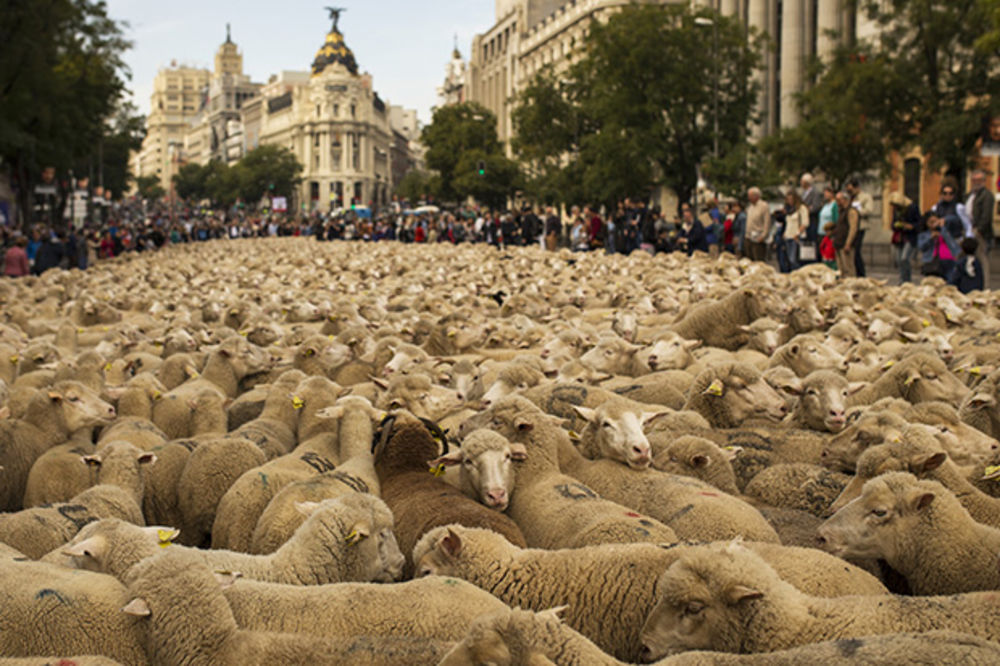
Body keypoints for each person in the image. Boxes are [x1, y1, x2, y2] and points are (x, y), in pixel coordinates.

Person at [967, 170, 994, 287]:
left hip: (980, 233)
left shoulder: (986, 195)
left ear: (984, 181)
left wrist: (979, 230)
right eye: (974, 180)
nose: (976, 182)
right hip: (968, 231)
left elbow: (986, 215)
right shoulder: (970, 195)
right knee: (968, 260)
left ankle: (985, 287)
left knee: (982, 260)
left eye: (979, 180)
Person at [888, 192, 920, 284]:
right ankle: (902, 279)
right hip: (900, 237)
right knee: (899, 259)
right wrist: (896, 225)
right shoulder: (896, 211)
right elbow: (893, 224)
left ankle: (907, 280)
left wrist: (911, 226)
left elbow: (919, 223)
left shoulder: (913, 208)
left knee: (904, 258)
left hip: (910, 237)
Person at [918, 211, 959, 279]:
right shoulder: (924, 234)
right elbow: (921, 247)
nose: (934, 224)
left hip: (949, 261)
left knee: (949, 284)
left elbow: (955, 219)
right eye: (931, 222)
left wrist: (942, 225)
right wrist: (930, 238)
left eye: (935, 221)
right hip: (932, 262)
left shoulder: (944, 230)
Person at [845, 178, 872, 277]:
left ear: (856, 187)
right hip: (850, 226)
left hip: (860, 226)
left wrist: (857, 210)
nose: (849, 192)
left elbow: (868, 210)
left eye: (851, 190)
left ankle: (861, 274)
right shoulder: (850, 198)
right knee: (851, 252)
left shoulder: (865, 197)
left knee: (856, 251)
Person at [832, 191, 859, 278]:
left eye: (838, 200)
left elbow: (853, 228)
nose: (837, 202)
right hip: (839, 243)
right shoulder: (841, 211)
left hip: (845, 244)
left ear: (844, 199)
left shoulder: (851, 211)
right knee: (841, 269)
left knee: (848, 269)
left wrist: (848, 243)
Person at [781, 190, 809, 273]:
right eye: (788, 199)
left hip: (796, 237)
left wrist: (798, 233)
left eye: (791, 199)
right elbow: (788, 223)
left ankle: (799, 274)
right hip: (788, 236)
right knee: (789, 259)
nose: (789, 201)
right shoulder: (789, 210)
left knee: (794, 259)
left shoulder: (802, 208)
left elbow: (805, 223)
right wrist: (785, 233)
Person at [744, 187, 770, 262]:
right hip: (748, 236)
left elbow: (767, 222)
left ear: (756, 196)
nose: (749, 198)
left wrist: (763, 236)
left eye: (750, 196)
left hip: (758, 237)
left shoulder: (764, 206)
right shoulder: (750, 207)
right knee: (749, 260)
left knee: (758, 260)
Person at [800, 173, 823, 245]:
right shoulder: (803, 193)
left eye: (802, 181)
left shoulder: (815, 193)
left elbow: (816, 207)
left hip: (812, 222)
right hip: (803, 222)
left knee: (812, 243)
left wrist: (806, 210)